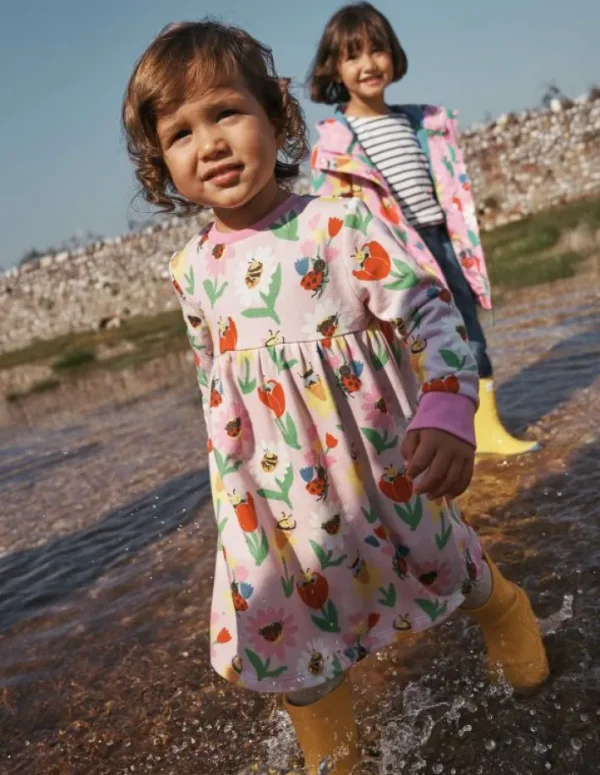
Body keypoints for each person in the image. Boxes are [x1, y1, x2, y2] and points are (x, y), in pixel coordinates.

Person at [122, 20, 549, 775]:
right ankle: (339, 762)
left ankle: (504, 609)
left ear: (275, 111)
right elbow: (212, 378)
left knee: (439, 557)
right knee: (286, 622)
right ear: (160, 161)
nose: (211, 143)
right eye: (181, 131)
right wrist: (233, 492)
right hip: (273, 490)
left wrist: (448, 406)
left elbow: (431, 307)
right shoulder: (190, 269)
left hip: (379, 461)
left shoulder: (337, 222)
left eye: (226, 113)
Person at [307, 1, 540, 457]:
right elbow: (330, 213)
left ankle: (485, 429)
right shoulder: (336, 141)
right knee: (411, 349)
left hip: (441, 243)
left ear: (394, 55)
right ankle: (428, 437)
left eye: (378, 50)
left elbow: (448, 188)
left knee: (468, 332)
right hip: (391, 257)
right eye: (353, 55)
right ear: (334, 67)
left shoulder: (420, 124)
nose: (369, 64)